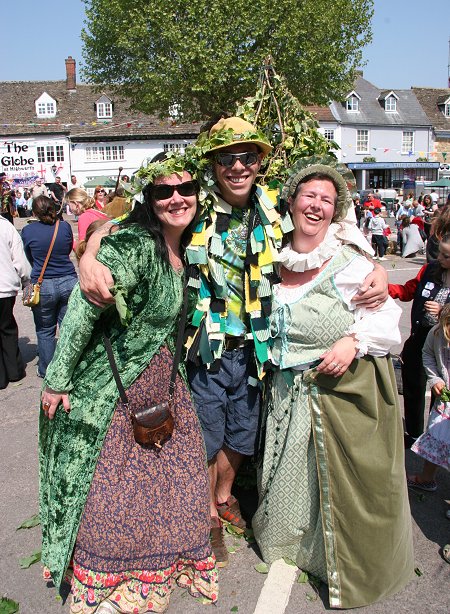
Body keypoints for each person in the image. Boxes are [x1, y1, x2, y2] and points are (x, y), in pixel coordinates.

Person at [76, 117, 389, 567]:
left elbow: (335, 231)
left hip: (260, 350)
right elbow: (119, 223)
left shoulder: (275, 206)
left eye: (247, 157)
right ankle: (204, 516)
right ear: (214, 165)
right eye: (227, 158)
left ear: (260, 163)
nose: (238, 166)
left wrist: (375, 266)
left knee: (242, 435)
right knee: (205, 435)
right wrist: (90, 253)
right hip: (207, 349)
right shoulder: (195, 206)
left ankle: (224, 496)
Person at [39, 158, 218, 612]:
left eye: (186, 188)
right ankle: (110, 585)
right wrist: (57, 379)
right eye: (164, 192)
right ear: (150, 200)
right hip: (116, 391)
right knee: (113, 498)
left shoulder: (193, 240)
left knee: (171, 488)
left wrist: (96, 233)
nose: (177, 198)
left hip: (163, 386)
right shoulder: (138, 246)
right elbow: (84, 309)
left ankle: (152, 575)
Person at [252, 160, 413, 609]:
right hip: (284, 393)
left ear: (336, 209)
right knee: (290, 485)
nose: (317, 205)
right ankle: (292, 550)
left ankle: (334, 564)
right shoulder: (270, 256)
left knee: (332, 486)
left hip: (329, 394)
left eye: (326, 199)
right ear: (291, 201)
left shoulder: (348, 263)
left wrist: (352, 339)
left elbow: (385, 318)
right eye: (309, 196)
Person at [389, 234, 450, 446]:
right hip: (421, 338)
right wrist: (385, 289)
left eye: (446, 256)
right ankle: (414, 433)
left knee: (441, 394)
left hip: (445, 348)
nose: (439, 258)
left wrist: (444, 312)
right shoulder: (430, 270)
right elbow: (409, 290)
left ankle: (437, 439)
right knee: (413, 386)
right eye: (440, 253)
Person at [21, 196, 77, 377]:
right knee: (69, 326)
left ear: (35, 212)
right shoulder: (65, 226)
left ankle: (47, 370)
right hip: (68, 279)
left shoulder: (28, 230)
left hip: (43, 283)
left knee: (45, 329)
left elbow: (28, 256)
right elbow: (68, 249)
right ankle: (71, 366)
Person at [407, 303, 450, 491]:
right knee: (436, 436)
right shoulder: (436, 333)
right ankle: (427, 478)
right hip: (445, 401)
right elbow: (428, 354)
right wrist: (435, 379)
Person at [0, 215, 30, 389]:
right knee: (7, 327)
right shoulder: (6, 227)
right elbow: (19, 258)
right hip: (5, 286)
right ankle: (14, 370)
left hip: (5, 286)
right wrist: (25, 279)